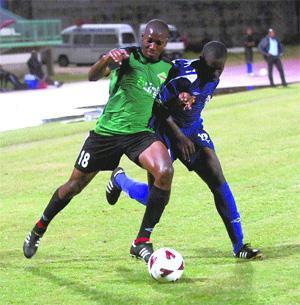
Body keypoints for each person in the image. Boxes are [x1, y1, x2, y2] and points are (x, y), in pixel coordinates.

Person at [23, 19, 179, 263]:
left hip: (138, 133)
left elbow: (170, 94)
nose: (152, 45)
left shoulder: (167, 67)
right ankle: (39, 228)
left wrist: (185, 97)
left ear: (164, 44)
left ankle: (141, 242)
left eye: (158, 42)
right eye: (148, 40)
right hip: (106, 134)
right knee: (73, 186)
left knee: (165, 170)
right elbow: (92, 75)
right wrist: (106, 60)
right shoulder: (126, 57)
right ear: (142, 38)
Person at [106, 41, 263, 260]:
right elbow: (155, 103)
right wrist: (177, 128)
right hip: (163, 133)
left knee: (217, 179)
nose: (215, 73)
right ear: (200, 61)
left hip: (192, 132)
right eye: (211, 68)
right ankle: (120, 179)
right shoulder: (181, 74)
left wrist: (187, 127)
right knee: (156, 197)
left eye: (220, 68)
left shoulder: (212, 75)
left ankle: (239, 246)